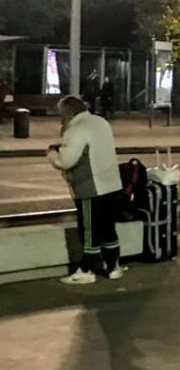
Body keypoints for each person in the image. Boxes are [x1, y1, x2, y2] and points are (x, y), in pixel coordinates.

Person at [47, 95, 124, 284]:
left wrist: (52, 154)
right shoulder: (101, 122)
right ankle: (113, 267)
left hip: (91, 188)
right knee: (108, 228)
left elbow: (66, 161)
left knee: (89, 231)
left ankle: (86, 270)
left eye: (61, 113)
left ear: (68, 112)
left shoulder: (76, 130)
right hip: (113, 186)